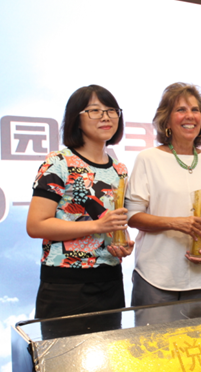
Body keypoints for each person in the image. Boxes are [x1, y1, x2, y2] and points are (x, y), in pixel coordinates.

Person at [26, 85, 134, 319]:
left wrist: (123, 243)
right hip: (65, 284)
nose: (105, 117)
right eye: (94, 110)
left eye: (111, 110)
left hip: (110, 280)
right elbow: (36, 225)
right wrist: (97, 225)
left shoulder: (120, 170)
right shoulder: (59, 162)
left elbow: (113, 224)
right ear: (77, 119)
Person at [126, 83, 201, 308]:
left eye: (195, 110)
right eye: (181, 110)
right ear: (166, 121)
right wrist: (175, 223)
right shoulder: (148, 159)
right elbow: (133, 216)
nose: (190, 116)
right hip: (155, 276)